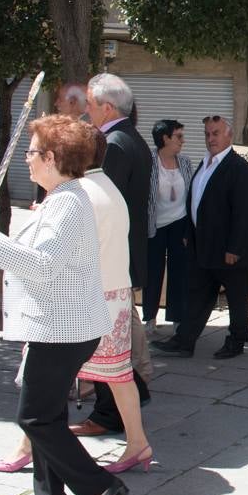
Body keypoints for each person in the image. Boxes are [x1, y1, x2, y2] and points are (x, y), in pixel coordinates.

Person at [0, 115, 127, 495]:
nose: (26, 159)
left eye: (33, 152)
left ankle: (99, 487)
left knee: (36, 419)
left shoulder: (69, 203)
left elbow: (44, 268)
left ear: (52, 157)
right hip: (59, 327)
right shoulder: (62, 197)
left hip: (62, 330)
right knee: (48, 415)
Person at [74, 73, 152, 439]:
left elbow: (103, 204)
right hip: (123, 253)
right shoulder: (130, 138)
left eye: (89, 105)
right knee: (111, 337)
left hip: (111, 258)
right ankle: (134, 390)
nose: (86, 112)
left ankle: (107, 414)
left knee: (104, 339)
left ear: (107, 107)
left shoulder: (115, 144)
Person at [150, 115, 248, 359]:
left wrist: (235, 248)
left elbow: (243, 214)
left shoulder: (240, 168)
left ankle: (236, 340)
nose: (211, 139)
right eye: (208, 134)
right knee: (198, 295)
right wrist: (189, 233)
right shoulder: (205, 163)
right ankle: (184, 341)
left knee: (237, 298)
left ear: (229, 135)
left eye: (216, 133)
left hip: (229, 250)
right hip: (202, 246)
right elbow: (195, 202)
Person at [142, 120, 193, 334]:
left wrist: (190, 228)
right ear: (165, 138)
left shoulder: (185, 162)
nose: (183, 141)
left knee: (179, 272)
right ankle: (150, 318)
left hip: (179, 222)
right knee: (153, 271)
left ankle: (177, 318)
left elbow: (191, 194)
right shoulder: (149, 162)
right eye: (178, 136)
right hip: (155, 225)